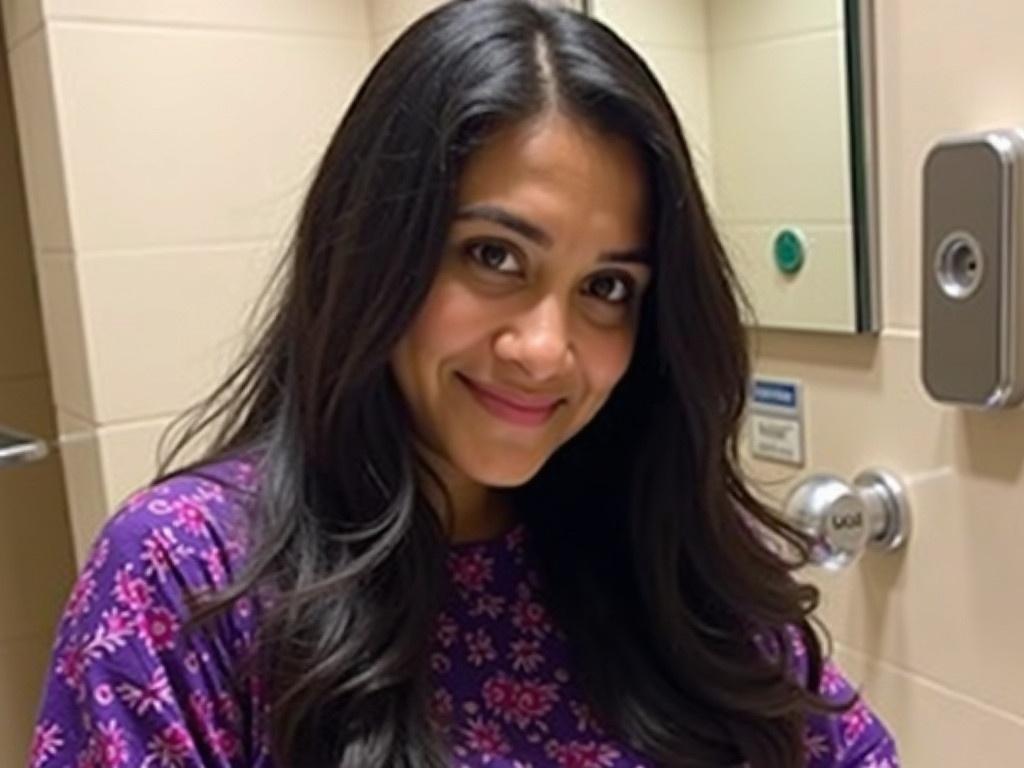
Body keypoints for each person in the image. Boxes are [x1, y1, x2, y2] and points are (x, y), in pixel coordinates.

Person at [30, 1, 899, 766]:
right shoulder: (185, 573)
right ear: (373, 251)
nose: (545, 349)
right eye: (494, 257)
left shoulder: (663, 553)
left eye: (607, 288)